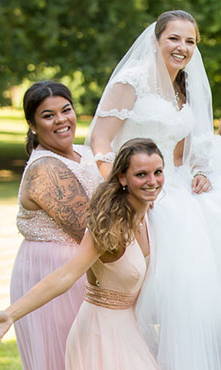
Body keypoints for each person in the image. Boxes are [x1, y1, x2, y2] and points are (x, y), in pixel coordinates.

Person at [87, 9, 221, 370]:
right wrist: (117, 190)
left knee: (197, 293)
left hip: (175, 186)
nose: (182, 47)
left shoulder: (186, 89)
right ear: (156, 40)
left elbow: (182, 151)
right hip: (140, 191)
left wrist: (199, 172)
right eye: (174, 38)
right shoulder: (132, 82)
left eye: (190, 41)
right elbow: (100, 142)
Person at [0, 138, 164, 370]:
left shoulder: (151, 216)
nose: (152, 181)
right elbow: (65, 275)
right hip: (102, 334)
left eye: (158, 172)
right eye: (142, 174)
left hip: (133, 330)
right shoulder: (109, 224)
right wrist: (11, 314)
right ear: (122, 178)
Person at [10, 81, 102, 370]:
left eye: (66, 110)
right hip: (53, 272)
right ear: (32, 125)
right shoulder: (45, 169)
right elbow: (91, 228)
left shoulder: (84, 153)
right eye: (48, 115)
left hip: (84, 265)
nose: (61, 120)